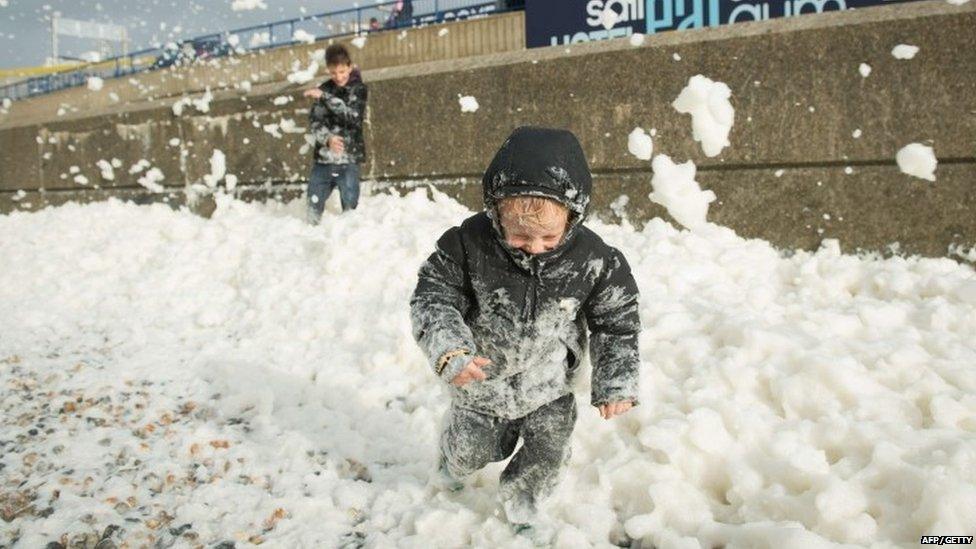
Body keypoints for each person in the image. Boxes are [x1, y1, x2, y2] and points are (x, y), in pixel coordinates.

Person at [409, 126, 641, 541]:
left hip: (548, 385)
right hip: (481, 383)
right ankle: (451, 461)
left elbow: (616, 318)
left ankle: (525, 505)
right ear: (496, 213)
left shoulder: (594, 260)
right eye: (519, 235)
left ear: (574, 216)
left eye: (549, 237)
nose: (534, 247)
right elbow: (433, 297)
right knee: (473, 450)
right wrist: (449, 350)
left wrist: (615, 380)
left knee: (547, 454)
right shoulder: (467, 246)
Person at [302, 44, 368, 223]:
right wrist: (327, 139)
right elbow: (315, 122)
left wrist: (324, 97)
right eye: (333, 73)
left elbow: (352, 116)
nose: (338, 77)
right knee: (312, 208)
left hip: (348, 159)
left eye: (342, 71)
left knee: (350, 210)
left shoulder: (358, 89)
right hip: (324, 160)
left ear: (349, 66)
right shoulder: (324, 89)